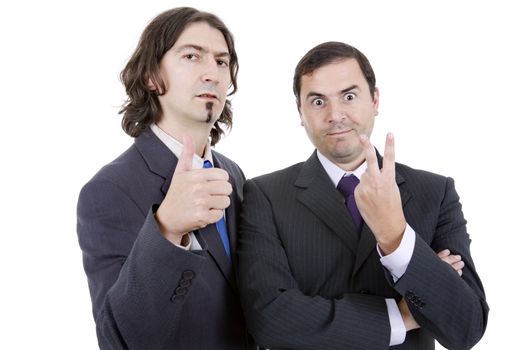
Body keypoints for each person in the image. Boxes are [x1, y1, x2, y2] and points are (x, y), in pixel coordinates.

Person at [237, 41, 488, 349]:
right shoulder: (265, 195)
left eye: (349, 96)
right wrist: (401, 316)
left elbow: (466, 328)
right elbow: (270, 321)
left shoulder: (434, 193)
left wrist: (395, 236)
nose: (335, 114)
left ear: (375, 100)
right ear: (300, 112)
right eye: (317, 102)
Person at [77, 7, 255, 349]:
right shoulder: (107, 191)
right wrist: (167, 229)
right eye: (192, 56)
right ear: (150, 77)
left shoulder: (232, 173)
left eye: (221, 61)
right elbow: (120, 341)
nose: (212, 74)